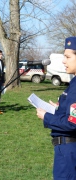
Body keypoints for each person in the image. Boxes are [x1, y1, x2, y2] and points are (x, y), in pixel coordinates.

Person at [37, 36, 76, 180]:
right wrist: (59, 108)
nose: (63, 61)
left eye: (67, 57)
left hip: (69, 150)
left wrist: (46, 116)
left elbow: (72, 123)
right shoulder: (73, 82)